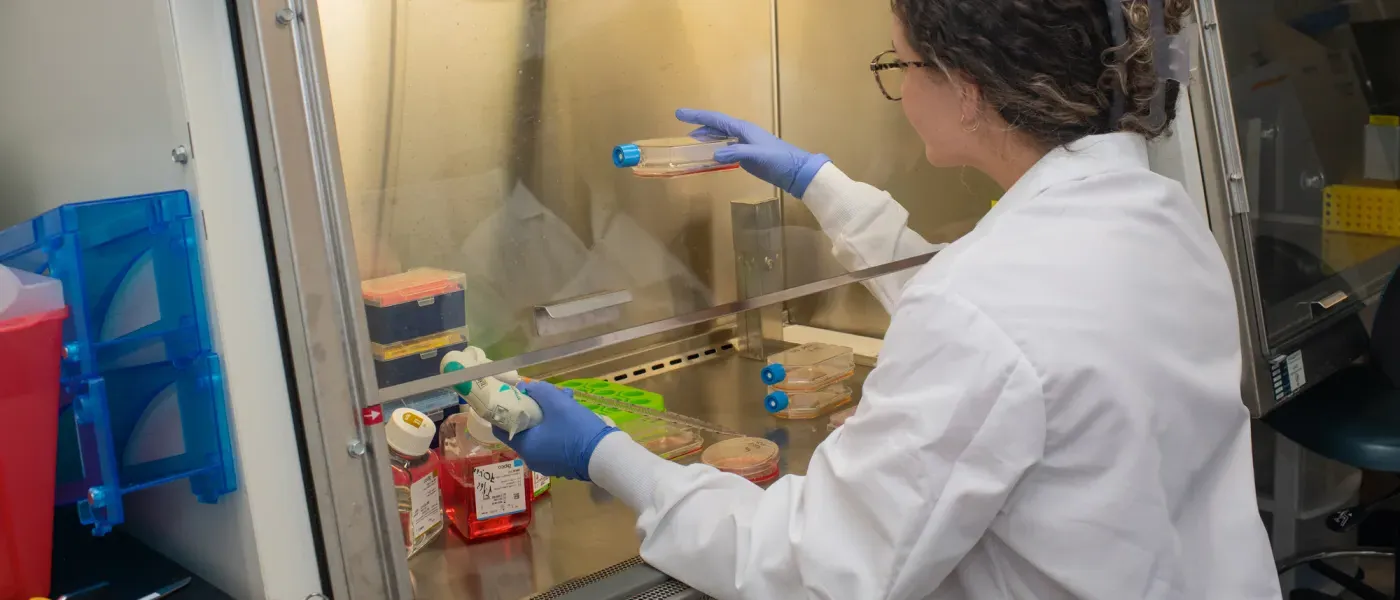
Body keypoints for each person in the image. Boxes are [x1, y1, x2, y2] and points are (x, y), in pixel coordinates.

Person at [499, 0, 1282, 597]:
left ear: (968, 90)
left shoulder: (990, 304)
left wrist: (609, 457)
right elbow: (1011, 337)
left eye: (900, 65)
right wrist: (820, 183)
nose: (899, 89)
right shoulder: (1164, 216)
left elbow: (819, 565)